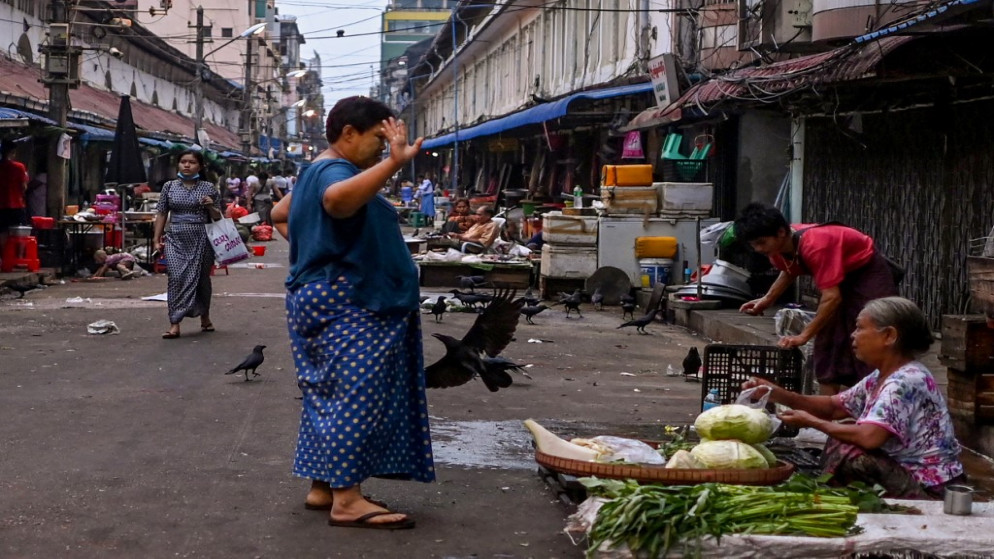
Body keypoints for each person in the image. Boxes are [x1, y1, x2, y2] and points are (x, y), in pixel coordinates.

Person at [281, 96, 433, 530]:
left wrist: (316, 250)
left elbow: (280, 214)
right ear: (349, 133)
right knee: (354, 398)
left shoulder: (311, 170)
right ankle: (347, 500)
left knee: (326, 395)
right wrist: (394, 165)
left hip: (321, 294)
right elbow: (338, 203)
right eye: (377, 141)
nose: (381, 151)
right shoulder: (333, 171)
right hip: (352, 301)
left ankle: (324, 486)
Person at [742, 297, 965, 499]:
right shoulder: (881, 376)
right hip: (906, 472)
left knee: (850, 450)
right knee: (845, 431)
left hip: (930, 487)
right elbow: (833, 407)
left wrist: (812, 422)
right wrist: (775, 392)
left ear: (889, 336)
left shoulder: (905, 381)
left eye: (860, 328)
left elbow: (869, 438)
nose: (853, 335)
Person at [734, 203, 898, 395]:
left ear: (780, 232)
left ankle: (880, 400)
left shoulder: (815, 245)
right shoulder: (777, 251)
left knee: (873, 333)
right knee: (827, 343)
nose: (758, 249)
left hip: (866, 273)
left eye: (761, 243)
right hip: (838, 280)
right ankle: (826, 410)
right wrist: (767, 299)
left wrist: (803, 335)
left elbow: (831, 297)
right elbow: (789, 269)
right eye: (754, 245)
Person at [153, 150, 222, 339]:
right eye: (183, 162)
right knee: (176, 277)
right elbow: (161, 213)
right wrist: (156, 239)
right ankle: (175, 323)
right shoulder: (169, 187)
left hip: (201, 237)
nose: (186, 165)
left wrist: (210, 206)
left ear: (199, 166)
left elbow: (218, 216)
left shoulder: (208, 187)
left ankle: (205, 316)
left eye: (191, 162)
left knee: (201, 279)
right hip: (175, 237)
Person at [0, 142, 29, 246]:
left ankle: (2, 258)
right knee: (20, 233)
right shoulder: (19, 167)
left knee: (2, 232)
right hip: (17, 205)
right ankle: (19, 257)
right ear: (13, 152)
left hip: (2, 206)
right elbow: (24, 187)